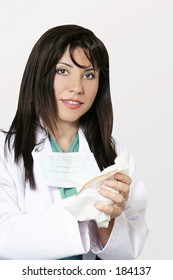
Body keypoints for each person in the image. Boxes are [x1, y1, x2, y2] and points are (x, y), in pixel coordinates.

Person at [0, 24, 148, 260]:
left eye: (89, 75)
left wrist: (107, 220)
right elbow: (4, 236)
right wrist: (84, 208)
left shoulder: (115, 154)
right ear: (39, 74)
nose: (77, 88)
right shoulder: (5, 151)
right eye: (63, 71)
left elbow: (129, 250)